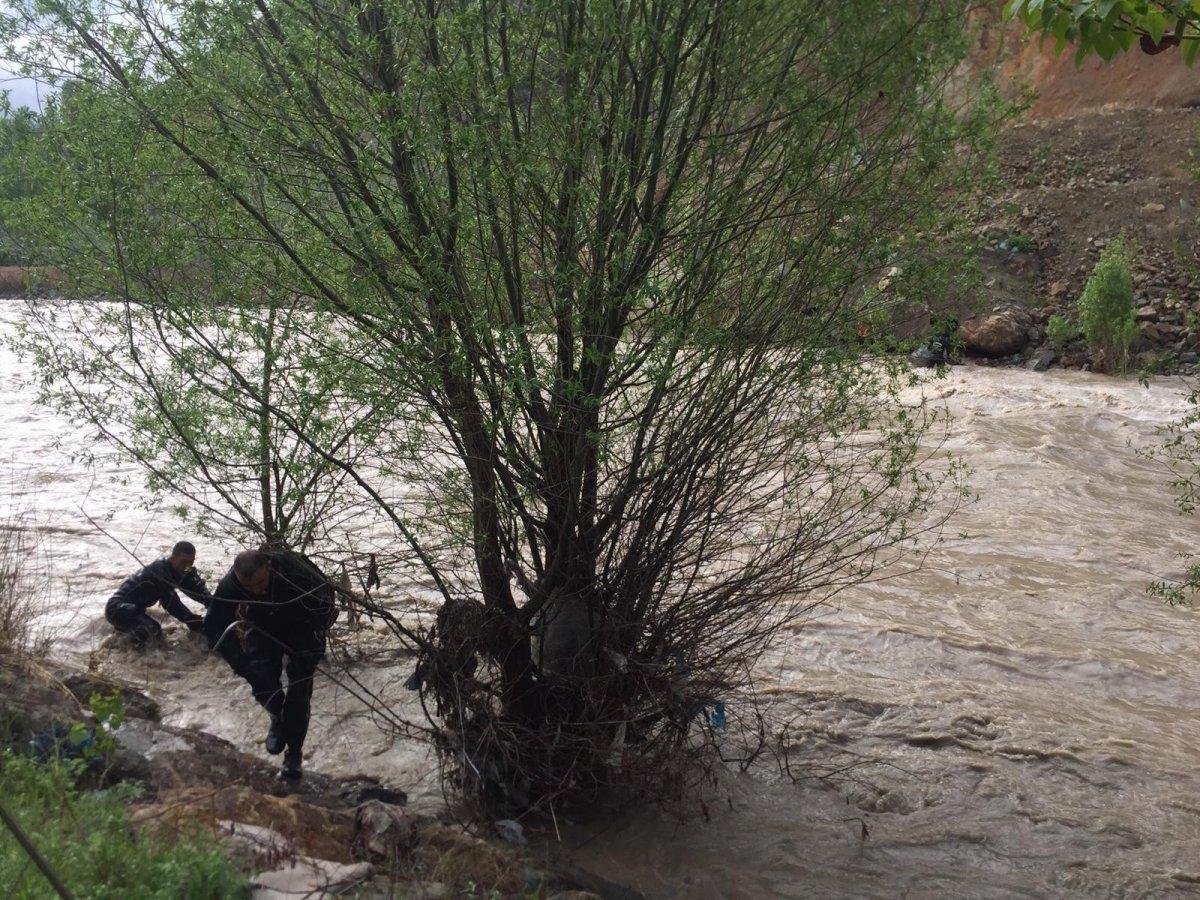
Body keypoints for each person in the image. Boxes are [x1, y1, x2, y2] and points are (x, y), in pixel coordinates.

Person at [210, 548, 336, 780]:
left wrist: (312, 644)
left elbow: (326, 602)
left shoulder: (295, 570)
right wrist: (240, 663)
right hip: (262, 624)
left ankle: (293, 756)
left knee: (299, 693)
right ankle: (278, 717)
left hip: (303, 624)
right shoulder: (231, 584)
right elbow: (214, 625)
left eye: (260, 583)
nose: (257, 590)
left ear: (269, 566)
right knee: (260, 678)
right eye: (249, 588)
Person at [104, 541, 208, 647]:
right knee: (153, 630)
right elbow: (171, 603)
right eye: (184, 561)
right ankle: (138, 659)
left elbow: (194, 588)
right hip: (118, 608)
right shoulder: (161, 572)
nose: (187, 566)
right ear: (173, 558)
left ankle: (122, 649)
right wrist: (190, 618)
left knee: (144, 631)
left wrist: (211, 602)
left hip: (131, 609)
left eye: (191, 562)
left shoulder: (175, 569)